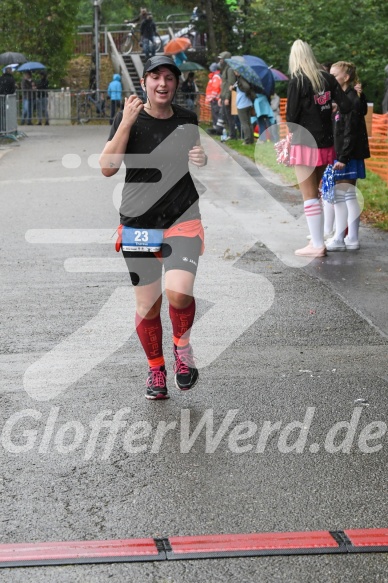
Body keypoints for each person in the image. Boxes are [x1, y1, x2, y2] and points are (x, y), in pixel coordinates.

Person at [99, 55, 207, 400]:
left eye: (169, 78)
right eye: (156, 77)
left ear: (177, 84)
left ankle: (183, 350)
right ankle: (156, 369)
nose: (163, 84)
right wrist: (127, 122)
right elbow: (107, 167)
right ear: (145, 82)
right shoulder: (126, 116)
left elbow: (195, 153)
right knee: (148, 306)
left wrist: (200, 158)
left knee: (178, 293)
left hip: (182, 216)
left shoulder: (188, 119)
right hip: (139, 222)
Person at [286, 39, 351, 257]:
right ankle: (318, 240)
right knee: (319, 193)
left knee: (309, 195)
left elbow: (291, 116)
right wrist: (329, 107)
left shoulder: (297, 80)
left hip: (304, 143)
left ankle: (316, 244)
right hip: (326, 143)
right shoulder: (328, 78)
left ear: (294, 57)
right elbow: (348, 105)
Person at [325, 61, 370, 252]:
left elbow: (350, 131)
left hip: (347, 154)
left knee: (342, 196)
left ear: (346, 78)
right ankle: (351, 238)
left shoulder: (350, 100)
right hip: (347, 152)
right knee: (349, 196)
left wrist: (342, 157)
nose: (331, 78)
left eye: (334, 75)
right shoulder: (345, 98)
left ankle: (339, 239)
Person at [230, 71, 255, 144]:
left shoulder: (241, 79)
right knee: (249, 123)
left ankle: (247, 140)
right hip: (248, 103)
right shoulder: (245, 79)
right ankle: (251, 140)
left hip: (242, 104)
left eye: (235, 71)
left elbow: (245, 88)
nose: (234, 73)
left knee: (244, 123)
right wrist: (233, 88)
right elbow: (241, 88)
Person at [217, 51, 237, 140]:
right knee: (226, 116)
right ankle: (230, 133)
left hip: (228, 97)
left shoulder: (230, 69)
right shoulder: (226, 69)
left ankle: (232, 135)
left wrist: (227, 97)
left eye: (221, 59)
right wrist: (221, 97)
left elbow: (230, 84)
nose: (220, 61)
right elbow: (224, 85)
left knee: (230, 117)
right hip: (224, 96)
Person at [205, 62, 222, 130]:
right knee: (215, 114)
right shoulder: (215, 76)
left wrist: (212, 97)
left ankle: (217, 128)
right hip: (214, 99)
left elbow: (216, 88)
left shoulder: (215, 77)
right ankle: (216, 127)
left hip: (215, 99)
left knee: (216, 113)